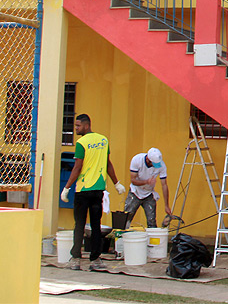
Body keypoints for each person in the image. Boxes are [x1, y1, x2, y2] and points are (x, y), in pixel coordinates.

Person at [60, 113, 125, 271]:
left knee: (80, 225)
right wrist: (116, 183)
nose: (75, 128)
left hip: (83, 190)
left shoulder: (81, 142)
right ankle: (95, 259)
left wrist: (67, 188)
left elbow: (77, 167)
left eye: (78, 126)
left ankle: (76, 259)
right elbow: (108, 163)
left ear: (86, 125)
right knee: (95, 226)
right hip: (98, 190)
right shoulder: (103, 140)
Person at [124, 147, 171, 228]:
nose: (156, 166)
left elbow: (164, 185)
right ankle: (122, 235)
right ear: (148, 160)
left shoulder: (161, 165)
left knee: (151, 219)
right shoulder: (137, 160)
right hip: (135, 191)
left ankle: (152, 238)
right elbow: (133, 180)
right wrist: (146, 182)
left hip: (149, 193)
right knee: (127, 217)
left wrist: (166, 205)